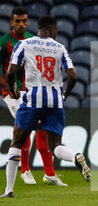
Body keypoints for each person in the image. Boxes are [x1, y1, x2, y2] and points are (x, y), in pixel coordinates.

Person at [0, 15, 91, 198]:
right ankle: (75, 157)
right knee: (55, 145)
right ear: (52, 30)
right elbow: (73, 76)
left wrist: (13, 89)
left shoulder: (25, 44)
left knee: (17, 142)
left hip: (33, 99)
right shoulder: (60, 47)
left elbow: (11, 70)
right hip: (55, 101)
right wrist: (65, 94)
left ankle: (9, 190)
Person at [0, 7, 66, 186]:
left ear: (28, 22)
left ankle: (50, 174)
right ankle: (26, 170)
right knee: (26, 127)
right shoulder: (4, 42)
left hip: (31, 92)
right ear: (11, 22)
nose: (21, 24)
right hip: (12, 93)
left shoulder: (32, 40)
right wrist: (9, 89)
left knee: (41, 129)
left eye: (24, 21)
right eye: (17, 21)